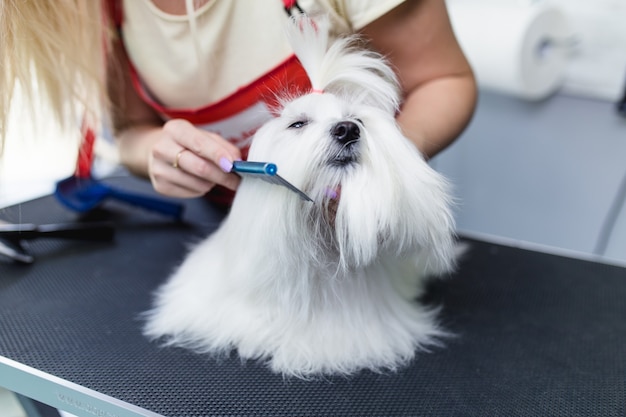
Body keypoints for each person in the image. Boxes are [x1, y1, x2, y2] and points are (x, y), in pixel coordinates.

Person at [1, 0, 476, 208]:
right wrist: (158, 154)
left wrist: (383, 167)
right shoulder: (98, 11)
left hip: (373, 231)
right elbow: (132, 131)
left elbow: (445, 79)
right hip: (228, 233)